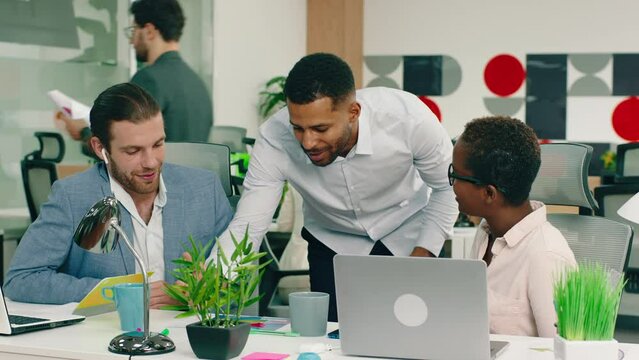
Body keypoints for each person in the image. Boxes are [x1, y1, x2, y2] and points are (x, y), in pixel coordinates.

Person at [216, 53, 458, 321]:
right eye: (298, 128)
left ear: (353, 112)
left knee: (414, 334)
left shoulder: (408, 118)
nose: (308, 142)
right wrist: (212, 279)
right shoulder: (274, 138)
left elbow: (448, 189)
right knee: (332, 339)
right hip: (331, 241)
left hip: (406, 232)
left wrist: (424, 253)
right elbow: (249, 224)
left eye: (321, 128)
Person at [5, 83, 232, 307]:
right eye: (133, 151)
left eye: (158, 144)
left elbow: (242, 279)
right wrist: (120, 294)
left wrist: (207, 289)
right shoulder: (73, 196)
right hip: (107, 337)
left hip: (189, 337)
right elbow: (22, 279)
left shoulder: (204, 189)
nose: (151, 162)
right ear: (99, 148)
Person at [450, 116, 577, 337]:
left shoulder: (546, 256)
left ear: (489, 193)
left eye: (456, 175)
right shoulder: (485, 232)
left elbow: (560, 352)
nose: (451, 184)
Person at [59, 0, 212, 144]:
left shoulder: (148, 79)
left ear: (149, 32)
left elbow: (122, 149)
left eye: (133, 31)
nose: (131, 41)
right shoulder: (198, 84)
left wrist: (83, 132)